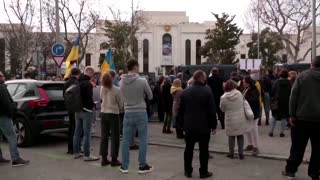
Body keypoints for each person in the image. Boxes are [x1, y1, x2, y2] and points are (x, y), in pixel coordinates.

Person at [282, 56, 320, 180]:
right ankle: (315, 172)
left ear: (311, 64)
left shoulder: (302, 76)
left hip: (301, 118)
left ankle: (291, 170)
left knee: (297, 147)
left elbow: (293, 97)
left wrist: (292, 115)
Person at [178, 70, 217, 179]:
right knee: (204, 150)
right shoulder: (207, 91)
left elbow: (181, 111)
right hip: (204, 126)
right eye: (204, 77)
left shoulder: (185, 92)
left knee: (188, 149)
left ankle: (187, 171)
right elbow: (211, 110)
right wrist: (213, 125)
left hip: (189, 126)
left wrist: (181, 125)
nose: (205, 79)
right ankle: (203, 172)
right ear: (200, 78)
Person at [119, 59, 153, 174]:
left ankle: (124, 166)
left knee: (126, 139)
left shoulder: (121, 81)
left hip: (128, 112)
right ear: (135, 67)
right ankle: (142, 165)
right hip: (140, 111)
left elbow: (122, 96)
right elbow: (150, 96)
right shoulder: (142, 80)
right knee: (143, 138)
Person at [0, 71, 30, 167]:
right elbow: (6, 103)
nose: (3, 77)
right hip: (3, 115)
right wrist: (11, 113)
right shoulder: (1, 88)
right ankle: (16, 159)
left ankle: (0, 158)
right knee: (12, 136)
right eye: (2, 76)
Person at [73, 66, 99, 161]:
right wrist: (92, 105)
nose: (93, 75)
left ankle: (76, 152)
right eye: (93, 73)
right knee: (87, 133)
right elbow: (88, 99)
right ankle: (87, 155)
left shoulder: (77, 82)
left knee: (77, 132)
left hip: (77, 110)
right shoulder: (88, 84)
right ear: (90, 72)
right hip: (86, 111)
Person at [99, 71, 123, 167]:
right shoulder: (117, 90)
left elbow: (101, 98)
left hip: (103, 113)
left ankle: (104, 158)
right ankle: (114, 158)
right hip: (113, 114)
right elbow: (121, 104)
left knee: (104, 136)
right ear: (112, 78)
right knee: (115, 137)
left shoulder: (102, 88)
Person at [220, 80, 249, 160]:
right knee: (240, 135)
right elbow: (243, 103)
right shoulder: (239, 94)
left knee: (231, 136)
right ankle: (241, 154)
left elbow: (222, 109)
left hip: (230, 118)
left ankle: (231, 153)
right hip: (240, 118)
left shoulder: (223, 97)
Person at [63, 67, 81, 155]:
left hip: (69, 108)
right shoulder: (77, 82)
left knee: (70, 128)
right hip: (76, 108)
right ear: (78, 74)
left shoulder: (66, 83)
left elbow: (64, 95)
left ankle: (69, 148)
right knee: (76, 129)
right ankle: (75, 148)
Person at [269, 70, 291, 138]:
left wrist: (272, 98)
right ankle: (282, 132)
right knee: (284, 116)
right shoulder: (289, 83)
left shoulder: (276, 82)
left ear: (280, 75)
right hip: (286, 102)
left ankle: (271, 132)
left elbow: (272, 91)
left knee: (274, 116)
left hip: (277, 101)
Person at [242, 76, 261, 156]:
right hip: (247, 112)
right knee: (247, 129)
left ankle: (256, 147)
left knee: (254, 129)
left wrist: (244, 99)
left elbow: (254, 101)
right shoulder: (245, 89)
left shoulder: (254, 90)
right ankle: (250, 144)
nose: (243, 83)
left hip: (254, 112)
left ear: (248, 82)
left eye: (244, 82)